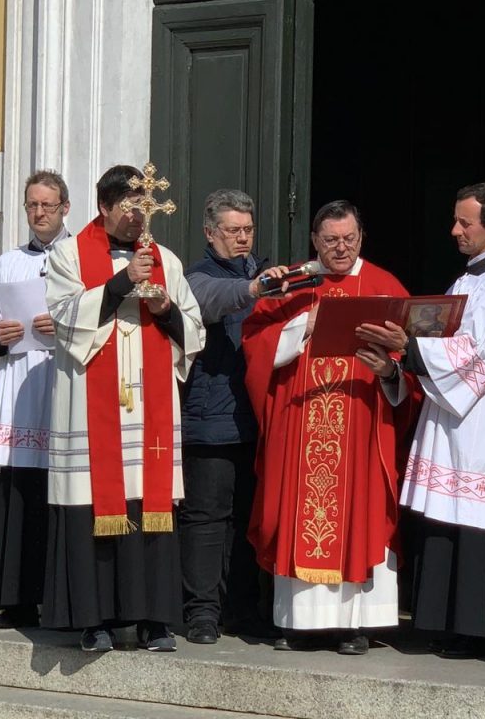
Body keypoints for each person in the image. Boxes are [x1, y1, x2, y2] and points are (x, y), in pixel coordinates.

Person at [356, 182, 485, 658]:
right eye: (456, 220)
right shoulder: (468, 280)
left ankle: (482, 630)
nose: (454, 229)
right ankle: (447, 624)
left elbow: (477, 356)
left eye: (465, 222)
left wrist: (408, 345)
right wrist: (401, 360)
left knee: (477, 525)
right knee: (447, 521)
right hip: (454, 420)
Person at [42, 165, 205, 652]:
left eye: (145, 210)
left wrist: (164, 311)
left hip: (149, 411)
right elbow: (63, 318)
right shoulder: (68, 255)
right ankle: (95, 622)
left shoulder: (167, 260)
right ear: (105, 208)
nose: (139, 220)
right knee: (93, 508)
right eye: (130, 211)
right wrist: (120, 283)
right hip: (91, 406)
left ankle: (155, 621)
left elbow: (195, 329)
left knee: (150, 510)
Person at [241, 200, 414, 655]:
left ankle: (359, 624)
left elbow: (409, 364)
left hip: (360, 426)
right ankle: (300, 623)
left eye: (349, 239)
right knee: (298, 512)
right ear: (315, 240)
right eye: (331, 240)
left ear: (362, 238)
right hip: (301, 425)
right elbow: (256, 347)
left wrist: (390, 370)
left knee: (363, 511)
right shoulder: (293, 281)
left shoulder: (383, 285)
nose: (341, 248)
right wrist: (304, 323)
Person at [0, 169, 69, 629]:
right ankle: (15, 599)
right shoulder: (4, 265)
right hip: (18, 386)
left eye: (47, 205)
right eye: (31, 205)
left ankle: (59, 601)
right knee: (17, 492)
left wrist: (60, 327)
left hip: (65, 384)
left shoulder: (82, 261)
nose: (38, 213)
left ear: (65, 208)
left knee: (61, 492)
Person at [179, 189, 290, 644]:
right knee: (207, 519)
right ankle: (202, 613)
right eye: (233, 230)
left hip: (258, 420)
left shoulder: (262, 272)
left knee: (250, 520)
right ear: (210, 233)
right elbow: (213, 300)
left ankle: (245, 610)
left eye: (248, 230)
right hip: (212, 421)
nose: (242, 238)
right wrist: (255, 288)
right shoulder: (195, 277)